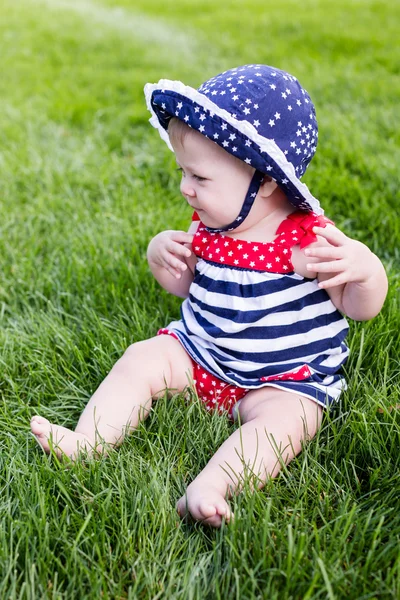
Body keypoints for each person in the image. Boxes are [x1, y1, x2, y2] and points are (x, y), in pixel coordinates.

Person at [31, 64, 388, 527]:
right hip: (201, 355)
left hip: (280, 379)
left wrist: (367, 273)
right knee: (143, 358)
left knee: (290, 422)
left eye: (199, 178)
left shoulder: (307, 242)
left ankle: (214, 485)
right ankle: (90, 440)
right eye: (183, 172)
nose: (185, 187)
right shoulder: (212, 225)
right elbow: (189, 287)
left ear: (264, 182)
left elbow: (359, 309)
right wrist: (163, 259)